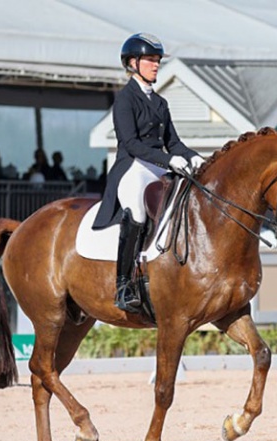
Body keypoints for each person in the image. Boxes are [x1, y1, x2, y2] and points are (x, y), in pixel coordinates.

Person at [92, 33, 205, 313]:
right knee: (137, 212)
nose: (156, 66)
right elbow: (130, 143)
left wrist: (195, 158)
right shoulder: (124, 100)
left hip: (159, 164)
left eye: (157, 61)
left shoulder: (161, 103)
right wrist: (169, 160)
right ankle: (124, 285)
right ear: (133, 63)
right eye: (150, 60)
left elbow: (174, 142)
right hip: (133, 167)